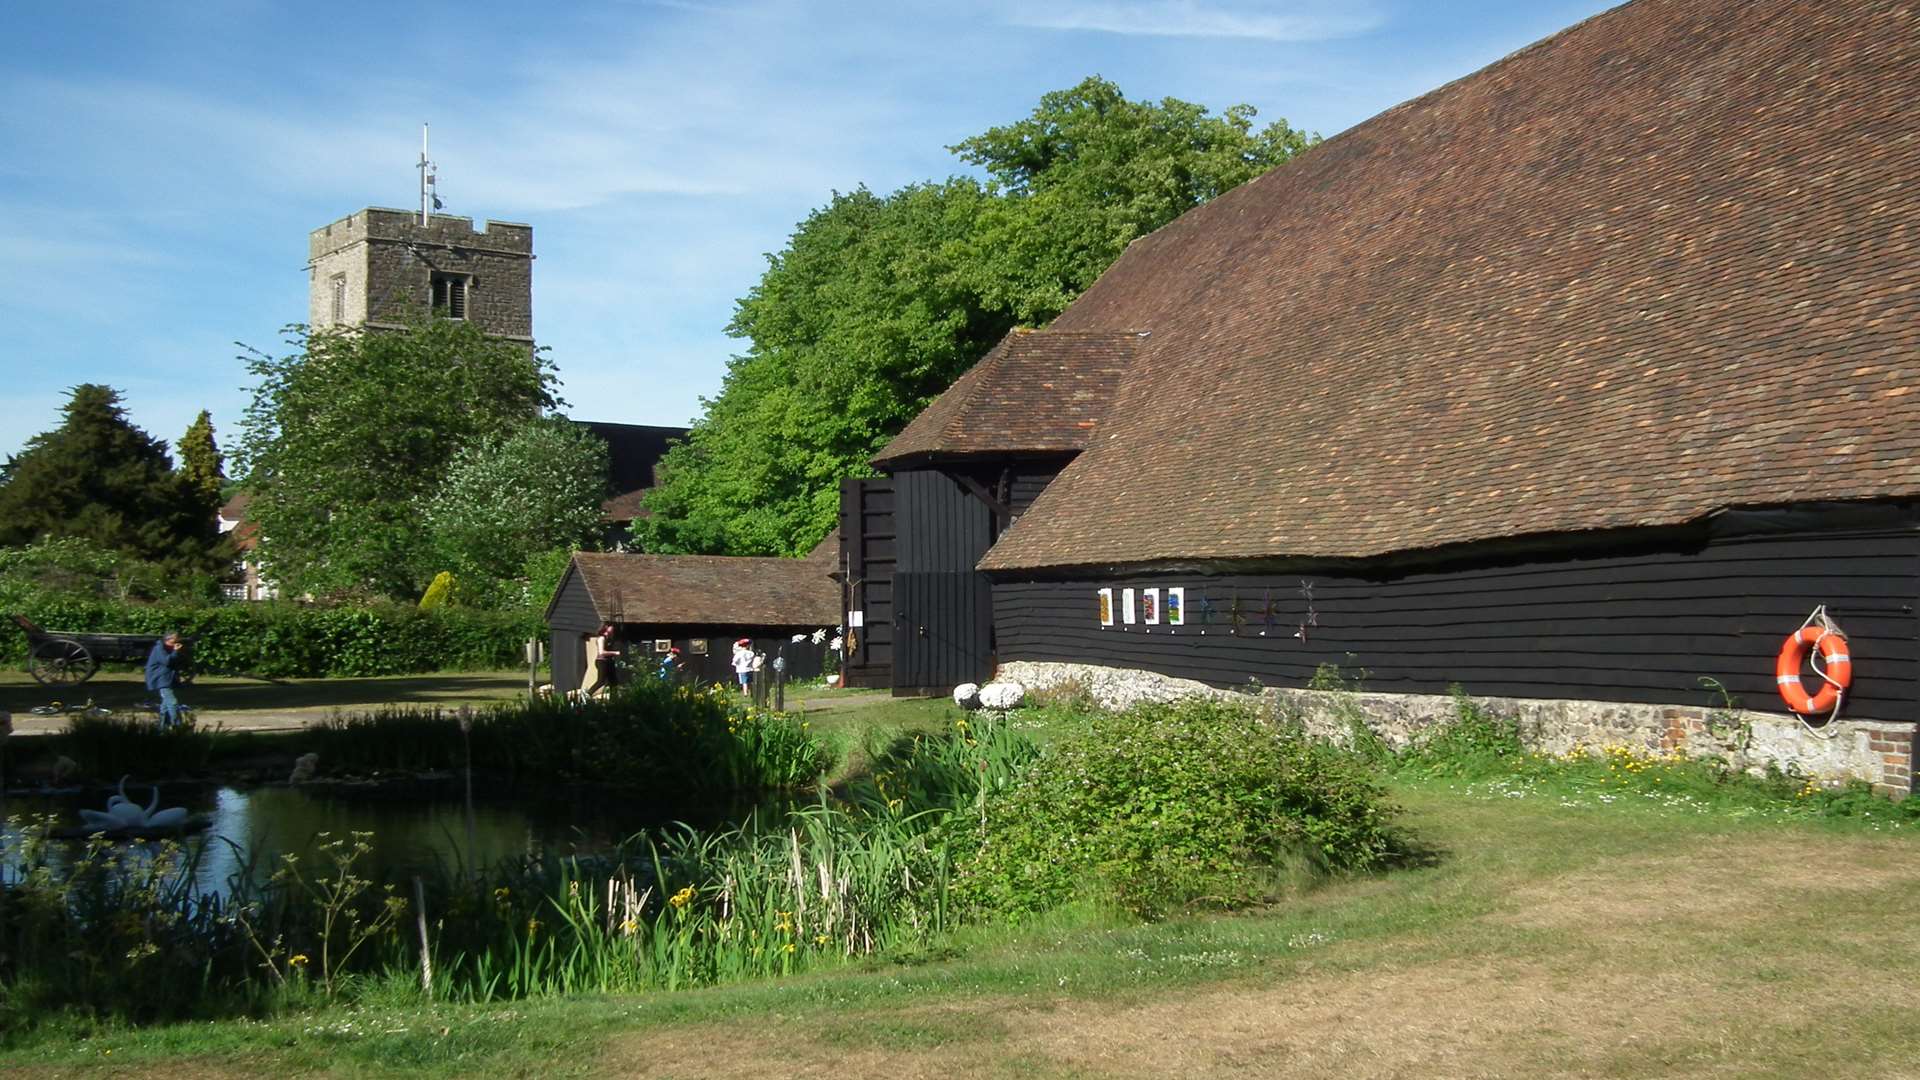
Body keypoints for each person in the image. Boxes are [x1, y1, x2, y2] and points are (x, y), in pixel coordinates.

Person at [144, 631, 186, 730]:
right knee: (172, 703)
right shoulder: (159, 648)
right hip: (161, 679)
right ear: (167, 639)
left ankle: (162, 727)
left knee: (165, 705)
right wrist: (175, 651)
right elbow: (166, 661)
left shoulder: (169, 649)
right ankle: (177, 726)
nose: (176, 642)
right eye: (174, 640)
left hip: (168, 679)